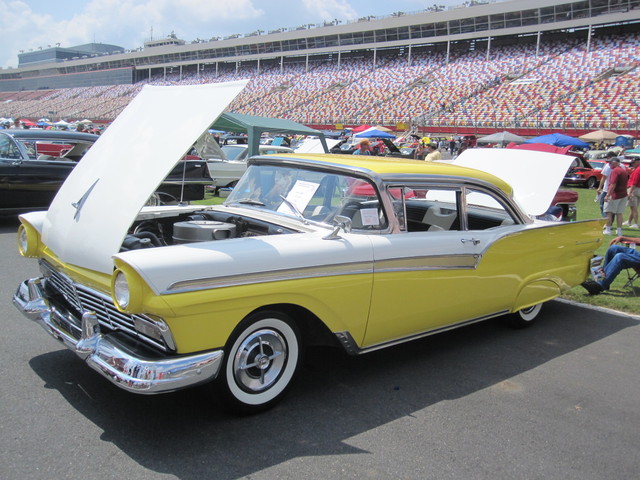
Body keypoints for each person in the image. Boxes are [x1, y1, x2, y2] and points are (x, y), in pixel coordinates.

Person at [602, 156, 628, 236]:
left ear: (615, 163)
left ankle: (608, 229)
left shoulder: (615, 171)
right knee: (619, 213)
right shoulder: (623, 171)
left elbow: (613, 184)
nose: (609, 164)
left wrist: (607, 195)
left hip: (615, 195)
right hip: (623, 194)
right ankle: (619, 231)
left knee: (609, 212)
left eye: (610, 163)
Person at [596, 151, 617, 217]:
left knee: (603, 206)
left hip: (607, 189)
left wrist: (599, 187)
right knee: (612, 208)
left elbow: (603, 177)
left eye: (608, 157)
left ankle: (606, 222)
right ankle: (609, 222)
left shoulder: (608, 166)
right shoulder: (621, 166)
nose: (607, 159)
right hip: (616, 190)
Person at [624, 158, 640, 228]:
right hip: (638, 189)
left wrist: (630, 192)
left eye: (634, 162)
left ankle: (636, 223)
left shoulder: (637, 170)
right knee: (633, 206)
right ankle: (629, 221)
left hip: (634, 189)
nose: (633, 164)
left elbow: (634, 182)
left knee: (634, 207)